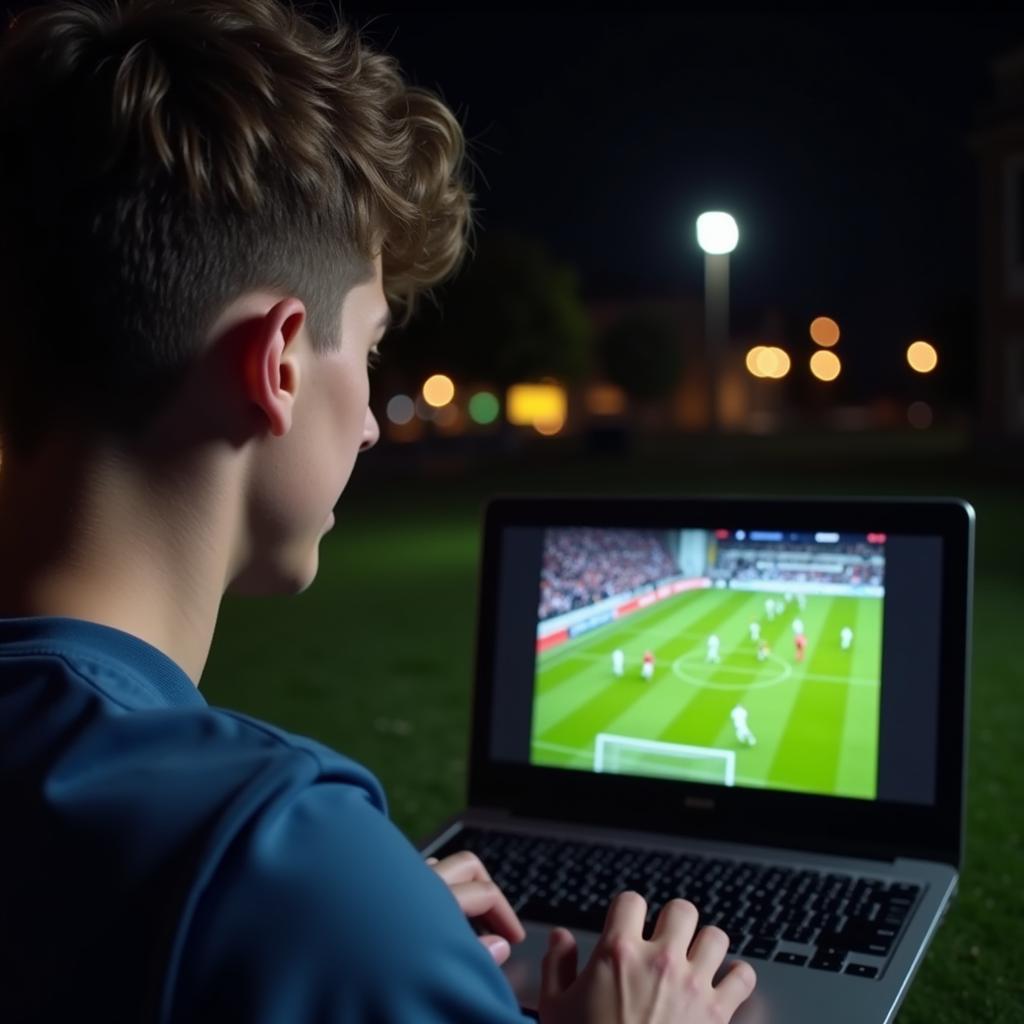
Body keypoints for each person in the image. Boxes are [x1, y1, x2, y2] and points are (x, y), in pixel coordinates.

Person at [0, 2, 755, 1022]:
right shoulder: (274, 857)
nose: (367, 421)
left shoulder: (293, 889)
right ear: (275, 363)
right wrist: (337, 912)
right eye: (368, 346)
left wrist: (363, 924)